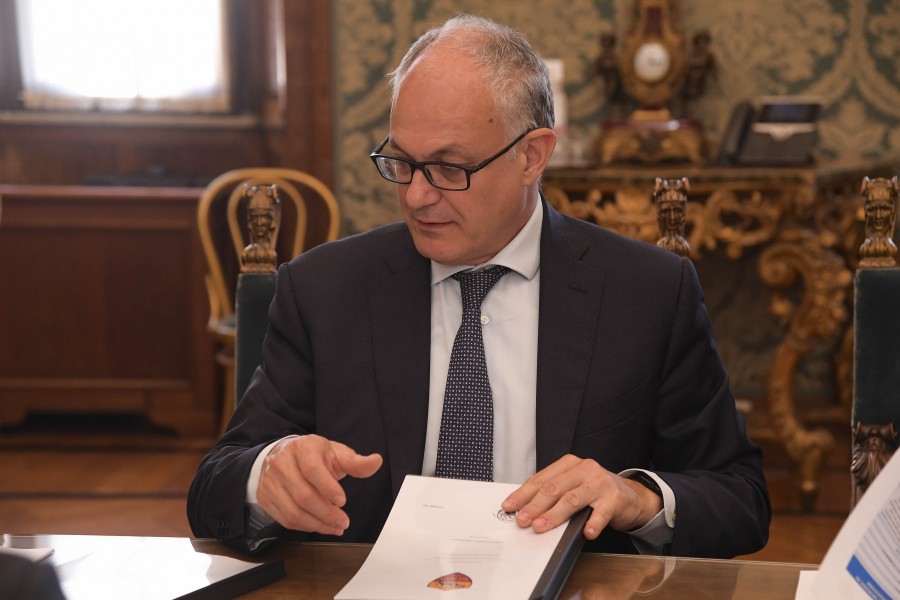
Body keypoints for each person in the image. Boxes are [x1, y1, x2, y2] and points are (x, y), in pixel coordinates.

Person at [188, 14, 770, 559]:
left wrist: (637, 498)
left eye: (449, 168)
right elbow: (213, 486)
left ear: (532, 156)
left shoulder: (646, 293)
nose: (417, 195)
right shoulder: (324, 291)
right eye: (402, 162)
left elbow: (740, 499)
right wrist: (267, 475)